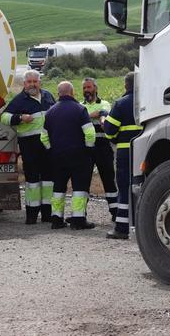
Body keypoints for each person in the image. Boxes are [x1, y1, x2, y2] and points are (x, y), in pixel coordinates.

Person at [0, 69, 56, 224]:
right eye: (29, 82)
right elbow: (4, 117)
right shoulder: (19, 100)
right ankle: (31, 214)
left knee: (48, 179)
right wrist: (20, 118)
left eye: (35, 81)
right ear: (24, 84)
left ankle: (47, 213)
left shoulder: (48, 96)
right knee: (32, 180)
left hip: (48, 144)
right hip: (29, 145)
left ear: (40, 82)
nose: (32, 84)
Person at [42, 81, 96, 230]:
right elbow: (90, 134)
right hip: (79, 155)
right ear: (72, 93)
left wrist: (51, 150)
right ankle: (78, 220)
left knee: (58, 188)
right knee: (79, 187)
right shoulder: (80, 109)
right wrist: (88, 150)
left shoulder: (50, 112)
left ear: (58, 93)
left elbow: (43, 137)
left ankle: (56, 219)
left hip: (57, 156)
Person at [104, 72, 141, 240]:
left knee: (125, 188)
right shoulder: (149, 101)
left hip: (126, 153)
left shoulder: (121, 103)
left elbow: (110, 131)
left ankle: (121, 227)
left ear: (126, 85)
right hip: (145, 151)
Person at [82, 77, 118, 225]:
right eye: (84, 88)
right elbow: (82, 119)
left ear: (95, 88)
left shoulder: (105, 104)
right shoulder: (80, 106)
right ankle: (80, 213)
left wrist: (87, 117)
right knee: (83, 181)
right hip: (86, 148)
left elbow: (106, 115)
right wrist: (92, 115)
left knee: (108, 179)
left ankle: (115, 212)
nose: (86, 91)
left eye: (89, 87)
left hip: (103, 146)